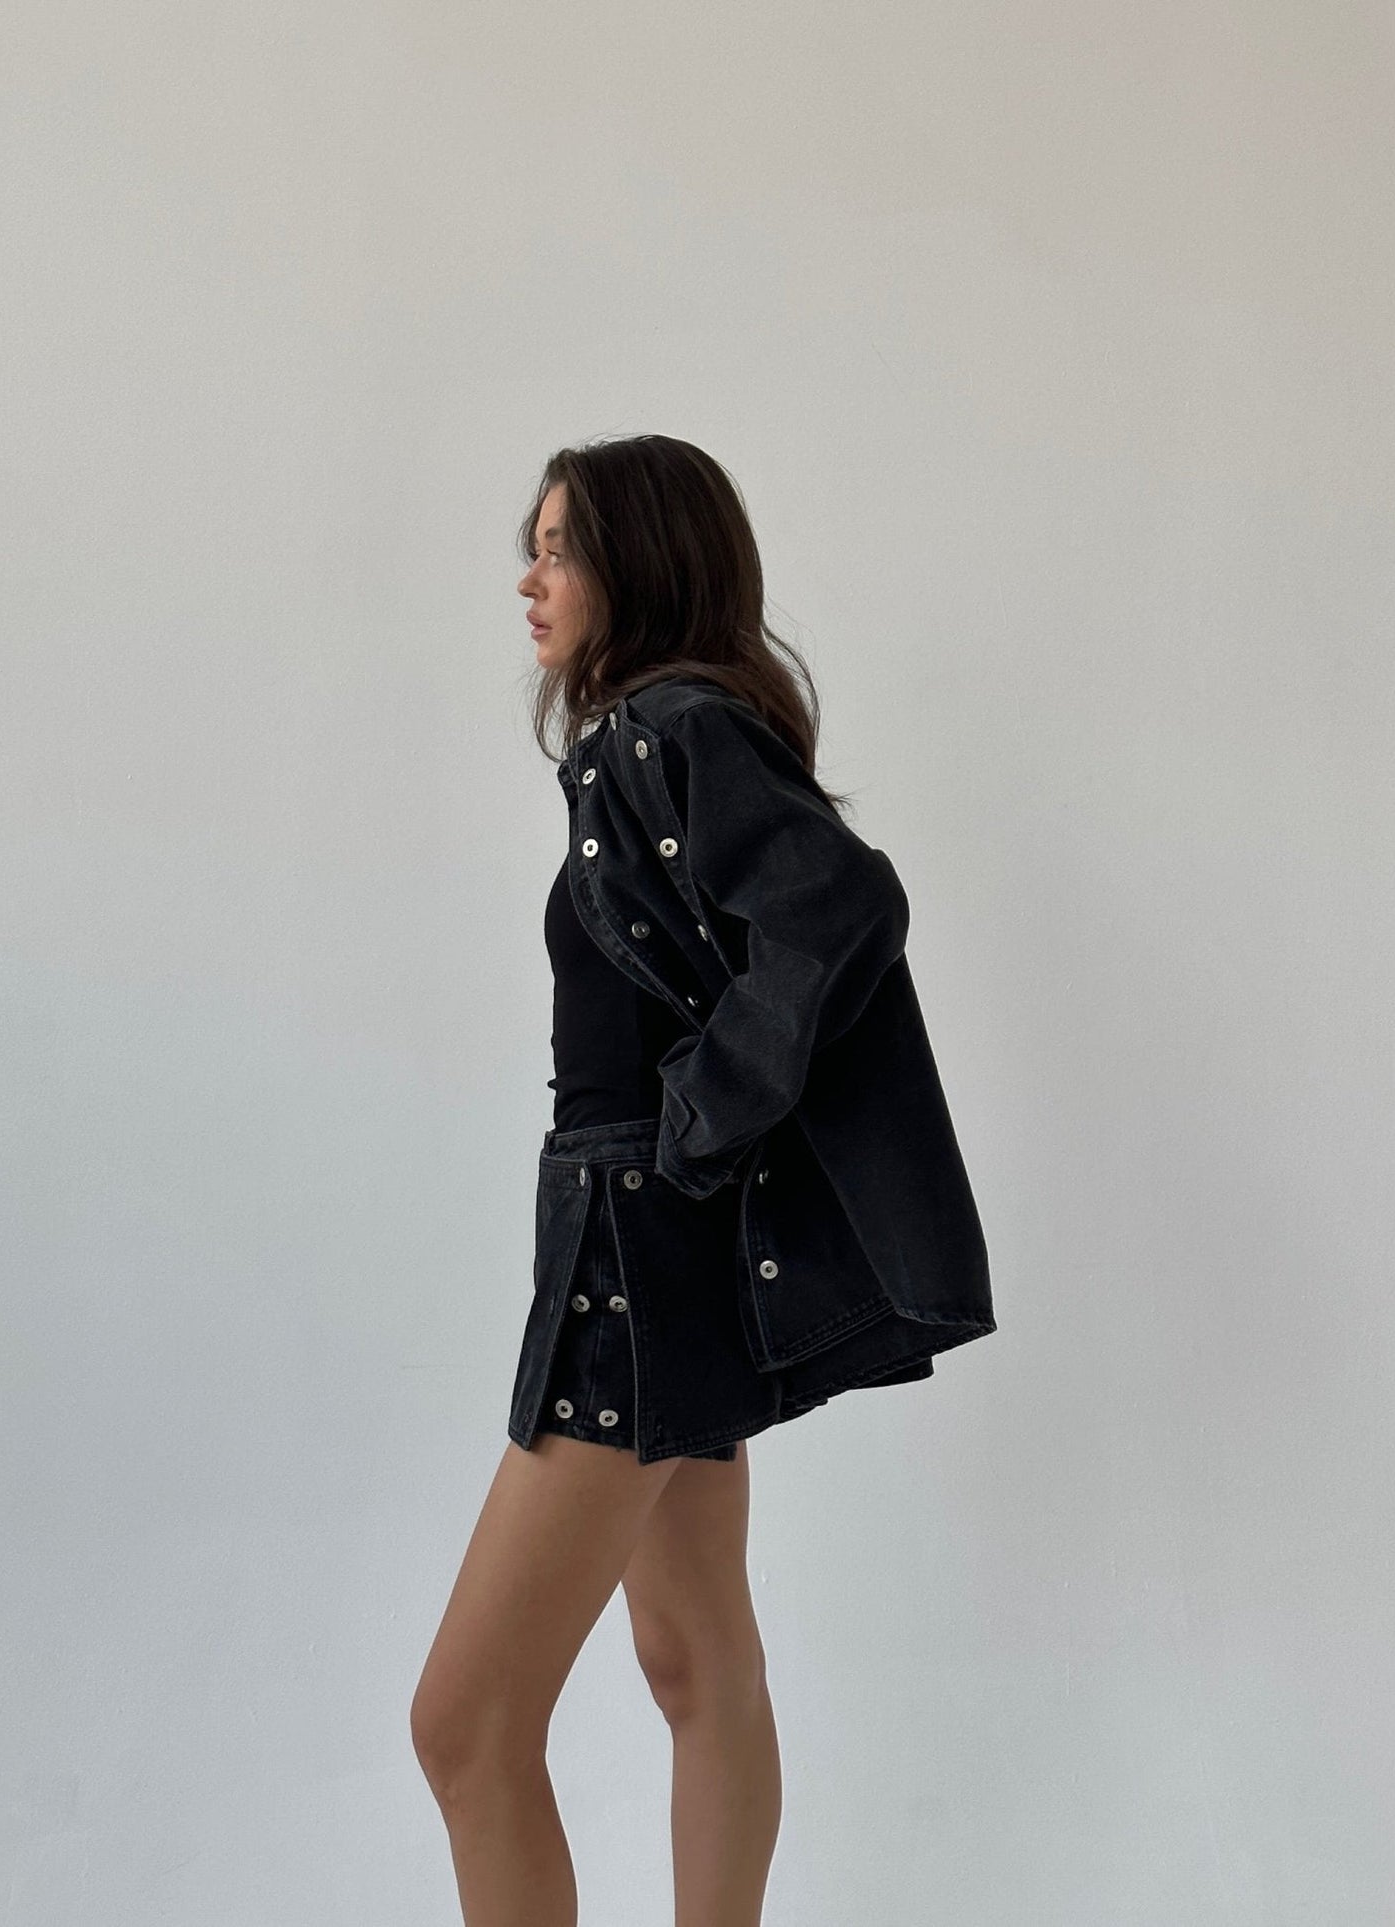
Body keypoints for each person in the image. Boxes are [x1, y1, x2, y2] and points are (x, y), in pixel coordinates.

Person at [410, 434, 996, 1925]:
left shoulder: (662, 729)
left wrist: (695, 1130)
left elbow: (839, 904)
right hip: (659, 1242)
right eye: (530, 545)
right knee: (695, 1661)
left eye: (559, 548)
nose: (529, 579)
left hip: (637, 1244)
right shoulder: (661, 734)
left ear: (640, 567)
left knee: (464, 1724)